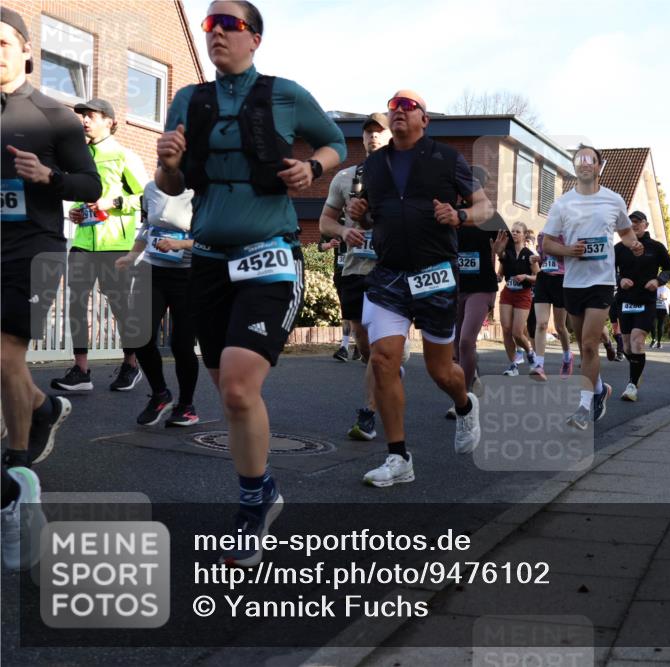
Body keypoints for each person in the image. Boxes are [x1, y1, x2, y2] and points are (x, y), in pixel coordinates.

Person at [156, 0, 346, 566]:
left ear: (254, 39)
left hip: (271, 256)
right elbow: (169, 182)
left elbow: (333, 141)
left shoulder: (286, 94)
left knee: (239, 387)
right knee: (228, 390)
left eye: (228, 24)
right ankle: (262, 489)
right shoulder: (189, 100)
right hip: (209, 260)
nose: (214, 33)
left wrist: (312, 168)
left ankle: (249, 506)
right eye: (208, 24)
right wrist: (167, 161)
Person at [346, 89, 492, 487]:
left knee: (440, 370)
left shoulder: (447, 158)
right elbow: (374, 214)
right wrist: (361, 213)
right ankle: (398, 458)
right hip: (389, 273)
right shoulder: (373, 165)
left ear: (424, 119)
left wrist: (459, 215)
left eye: (407, 107)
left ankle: (464, 405)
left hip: (435, 274)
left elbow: (485, 208)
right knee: (382, 359)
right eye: (393, 107)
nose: (397, 112)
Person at [1, 7, 101, 568]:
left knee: (4, 353)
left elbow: (90, 182)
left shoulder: (54, 115)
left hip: (34, 246)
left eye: (2, 43)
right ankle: (40, 408)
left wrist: (50, 178)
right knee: (3, 365)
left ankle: (16, 483)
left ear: (25, 51)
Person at [541, 145, 644, 429]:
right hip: (573, 282)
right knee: (580, 340)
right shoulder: (563, 203)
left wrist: (633, 243)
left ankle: (584, 407)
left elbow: (624, 231)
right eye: (579, 160)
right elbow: (547, 242)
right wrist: (567, 250)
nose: (585, 164)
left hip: (601, 281)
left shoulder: (613, 200)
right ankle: (600, 390)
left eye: (591, 160)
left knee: (588, 344)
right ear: (575, 167)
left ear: (600, 166)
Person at [49, 98, 148, 393]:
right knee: (76, 303)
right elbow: (82, 196)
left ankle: (131, 364)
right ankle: (81, 371)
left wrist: (113, 202)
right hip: (83, 241)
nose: (84, 120)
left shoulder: (124, 156)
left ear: (110, 121)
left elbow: (146, 199)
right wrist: (77, 211)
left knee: (119, 305)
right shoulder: (79, 158)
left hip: (115, 244)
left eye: (91, 115)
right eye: (82, 116)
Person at [318, 112, 391, 439]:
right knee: (363, 345)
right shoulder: (345, 178)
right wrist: (344, 232)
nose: (373, 136)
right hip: (354, 269)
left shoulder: (400, 178)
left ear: (390, 136)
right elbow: (324, 223)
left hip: (388, 272)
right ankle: (385, 372)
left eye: (379, 131)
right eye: (368, 132)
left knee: (377, 347)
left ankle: (369, 413)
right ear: (362, 139)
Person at [115, 181, 201, 426]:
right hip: (152, 270)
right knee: (137, 336)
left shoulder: (201, 190)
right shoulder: (151, 188)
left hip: (188, 274)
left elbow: (213, 237)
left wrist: (181, 244)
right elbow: (148, 227)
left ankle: (186, 406)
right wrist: (132, 256)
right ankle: (160, 394)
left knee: (181, 345)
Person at [452, 166, 507, 414]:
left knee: (466, 341)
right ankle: (472, 377)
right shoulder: (452, 214)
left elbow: (510, 253)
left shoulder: (491, 217)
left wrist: (499, 252)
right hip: (454, 287)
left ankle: (462, 400)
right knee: (454, 346)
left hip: (481, 287)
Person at [613, 210, 670, 400]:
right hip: (625, 300)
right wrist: (619, 279)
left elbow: (669, 268)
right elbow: (608, 269)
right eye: (631, 222)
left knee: (638, 341)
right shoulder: (619, 248)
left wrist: (658, 280)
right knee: (628, 347)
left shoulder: (656, 247)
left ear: (646, 225)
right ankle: (636, 372)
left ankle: (632, 385)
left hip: (646, 300)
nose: (634, 225)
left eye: (638, 222)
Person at [530, 231, 574, 378]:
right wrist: (538, 259)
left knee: (560, 326)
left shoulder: (568, 235)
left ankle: (567, 358)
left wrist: (558, 250)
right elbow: (543, 259)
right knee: (541, 324)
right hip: (544, 279)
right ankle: (539, 365)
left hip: (561, 280)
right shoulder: (542, 235)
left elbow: (570, 257)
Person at [497, 222, 537, 376]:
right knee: (506, 330)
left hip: (523, 295)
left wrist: (526, 276)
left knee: (517, 333)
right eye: (512, 231)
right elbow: (501, 273)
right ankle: (513, 365)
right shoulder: (507, 252)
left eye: (517, 231)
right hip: (508, 293)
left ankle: (530, 353)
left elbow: (538, 277)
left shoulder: (529, 255)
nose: (514, 234)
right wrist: (498, 277)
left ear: (524, 234)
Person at [653, 283, 670, 348]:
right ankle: (653, 339)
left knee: (660, 325)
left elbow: (669, 300)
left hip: (663, 308)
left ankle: (659, 342)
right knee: (653, 324)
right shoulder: (654, 288)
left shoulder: (667, 290)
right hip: (654, 308)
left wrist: (664, 298)